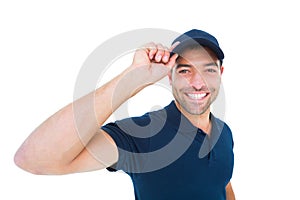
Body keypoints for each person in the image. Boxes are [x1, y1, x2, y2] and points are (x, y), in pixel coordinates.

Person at [14, 29, 235, 200]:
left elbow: (222, 183)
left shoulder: (224, 133)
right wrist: (133, 78)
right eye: (185, 70)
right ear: (170, 76)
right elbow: (34, 159)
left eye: (209, 69)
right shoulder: (145, 136)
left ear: (221, 74)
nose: (198, 83)